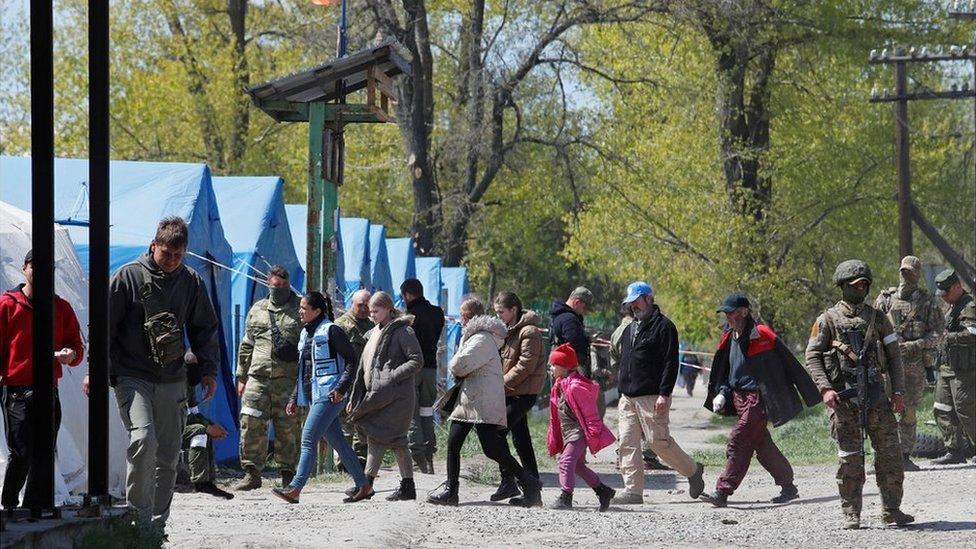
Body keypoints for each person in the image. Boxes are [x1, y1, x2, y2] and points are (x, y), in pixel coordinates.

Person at [109, 216, 221, 527]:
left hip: (173, 378)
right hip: (133, 375)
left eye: (178, 255)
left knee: (169, 455)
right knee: (144, 440)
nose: (171, 261)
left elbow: (205, 329)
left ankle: (155, 528)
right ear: (153, 245)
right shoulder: (127, 278)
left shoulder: (191, 282)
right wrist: (97, 369)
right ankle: (136, 521)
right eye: (165, 253)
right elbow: (104, 327)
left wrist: (209, 370)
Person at [804, 259, 914, 529]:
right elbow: (812, 356)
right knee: (850, 459)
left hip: (877, 399)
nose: (861, 288)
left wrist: (898, 391)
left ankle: (891, 510)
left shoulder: (878, 318)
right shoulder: (827, 319)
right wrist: (825, 389)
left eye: (865, 284)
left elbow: (894, 357)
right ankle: (851, 512)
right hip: (844, 401)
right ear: (842, 286)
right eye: (856, 284)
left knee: (890, 456)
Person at [699, 293, 820, 507]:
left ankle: (722, 491)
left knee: (739, 439)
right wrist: (722, 392)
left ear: (744, 312)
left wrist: (810, 390)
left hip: (758, 398)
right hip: (738, 397)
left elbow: (788, 362)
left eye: (732, 312)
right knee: (762, 445)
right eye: (726, 313)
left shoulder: (761, 334)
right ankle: (788, 486)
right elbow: (727, 371)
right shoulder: (729, 336)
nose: (728, 316)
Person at [426, 296, 543, 507]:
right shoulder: (478, 337)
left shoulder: (481, 339)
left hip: (480, 400)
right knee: (460, 444)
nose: (460, 320)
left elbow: (458, 365)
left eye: (462, 316)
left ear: (467, 316)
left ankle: (527, 482)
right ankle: (452, 490)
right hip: (474, 399)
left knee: (492, 448)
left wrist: (457, 365)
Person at [0, 250, 85, 514]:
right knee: (22, 451)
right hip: (16, 389)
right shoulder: (7, 305)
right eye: (36, 266)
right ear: (25, 267)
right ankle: (9, 505)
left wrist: (70, 355)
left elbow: (76, 348)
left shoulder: (61, 307)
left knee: (45, 452)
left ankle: (33, 508)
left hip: (48, 389)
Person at [271, 292, 371, 504]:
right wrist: (294, 397)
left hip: (330, 395)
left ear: (316, 311)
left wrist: (341, 388)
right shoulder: (305, 334)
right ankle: (364, 485)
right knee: (339, 443)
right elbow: (304, 370)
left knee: (308, 439)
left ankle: (295, 488)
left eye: (304, 308)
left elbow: (352, 360)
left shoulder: (332, 330)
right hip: (315, 396)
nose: (299, 311)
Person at [612, 281, 705, 505]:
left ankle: (693, 471)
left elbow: (670, 363)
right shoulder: (629, 328)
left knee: (657, 442)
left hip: (652, 396)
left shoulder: (665, 327)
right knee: (626, 442)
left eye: (637, 301)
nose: (634, 306)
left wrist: (664, 393)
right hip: (627, 397)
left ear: (648, 299)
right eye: (631, 303)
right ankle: (633, 492)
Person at [347, 291, 423, 501]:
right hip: (378, 395)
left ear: (389, 309)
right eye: (370, 311)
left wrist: (392, 376)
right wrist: (356, 395)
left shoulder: (403, 331)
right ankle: (405, 487)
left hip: (397, 397)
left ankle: (366, 485)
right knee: (392, 440)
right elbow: (364, 368)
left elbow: (416, 360)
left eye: (376, 311)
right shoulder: (373, 333)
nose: (371, 315)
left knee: (380, 438)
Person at [235, 266, 303, 490]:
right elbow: (247, 345)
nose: (279, 289)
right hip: (258, 377)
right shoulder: (258, 309)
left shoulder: (299, 308)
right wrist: (241, 376)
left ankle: (287, 475)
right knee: (250, 422)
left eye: (283, 286)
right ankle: (252, 473)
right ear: (268, 284)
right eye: (275, 286)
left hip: (289, 379)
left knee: (288, 427)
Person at [874, 256, 944, 471]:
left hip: (913, 366)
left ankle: (904, 455)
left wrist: (915, 345)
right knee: (881, 411)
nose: (906, 276)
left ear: (917, 274)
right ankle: (882, 456)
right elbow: (873, 328)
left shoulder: (927, 301)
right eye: (903, 272)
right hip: (886, 366)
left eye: (910, 272)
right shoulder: (885, 299)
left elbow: (939, 334)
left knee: (909, 411)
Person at [490, 291, 546, 504]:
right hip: (513, 392)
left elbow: (525, 365)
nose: (498, 317)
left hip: (523, 393)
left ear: (514, 309)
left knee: (495, 434)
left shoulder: (528, 331)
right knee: (521, 441)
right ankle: (532, 490)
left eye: (501, 312)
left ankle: (512, 482)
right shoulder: (509, 331)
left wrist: (501, 384)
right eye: (496, 313)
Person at [546, 343, 617, 511]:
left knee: (565, 462)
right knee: (577, 466)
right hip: (569, 432)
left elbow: (590, 412)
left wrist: (593, 432)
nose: (551, 368)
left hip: (579, 432)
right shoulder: (560, 384)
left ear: (564, 367)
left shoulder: (575, 386)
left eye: (554, 364)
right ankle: (603, 491)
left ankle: (566, 497)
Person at [610, 304, 667, 471]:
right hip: (644, 383)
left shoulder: (617, 331)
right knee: (651, 423)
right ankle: (649, 456)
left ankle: (623, 458)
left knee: (626, 423)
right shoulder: (638, 328)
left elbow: (613, 358)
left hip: (625, 382)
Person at [930, 269, 976, 464]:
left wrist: (947, 338)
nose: (944, 297)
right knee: (942, 408)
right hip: (947, 367)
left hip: (964, 369)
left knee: (965, 408)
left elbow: (972, 334)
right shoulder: (953, 306)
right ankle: (954, 450)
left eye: (946, 292)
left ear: (957, 287)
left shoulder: (969, 306)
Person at [401, 278, 445, 474]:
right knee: (427, 411)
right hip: (430, 369)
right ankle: (429, 453)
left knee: (412, 413)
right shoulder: (437, 312)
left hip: (412, 369)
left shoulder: (410, 316)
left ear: (407, 295)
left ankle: (418, 457)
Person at [181, 352, 233, 500]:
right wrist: (207, 427)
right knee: (200, 431)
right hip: (168, 427)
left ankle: (209, 481)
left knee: (205, 430)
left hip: (181, 425)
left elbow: (193, 411)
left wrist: (212, 425)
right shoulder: (174, 383)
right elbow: (179, 414)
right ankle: (200, 482)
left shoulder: (188, 383)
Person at [334, 289, 373, 463]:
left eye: (368, 305)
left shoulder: (373, 326)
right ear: (352, 304)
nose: (364, 309)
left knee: (363, 423)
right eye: (360, 305)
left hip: (365, 383)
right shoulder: (341, 325)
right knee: (345, 424)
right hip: (346, 382)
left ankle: (360, 459)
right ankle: (342, 461)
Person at [549, 286, 593, 377]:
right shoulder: (569, 320)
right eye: (584, 308)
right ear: (577, 302)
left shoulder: (558, 316)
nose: (584, 312)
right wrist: (587, 341)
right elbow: (575, 345)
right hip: (568, 372)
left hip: (559, 367)